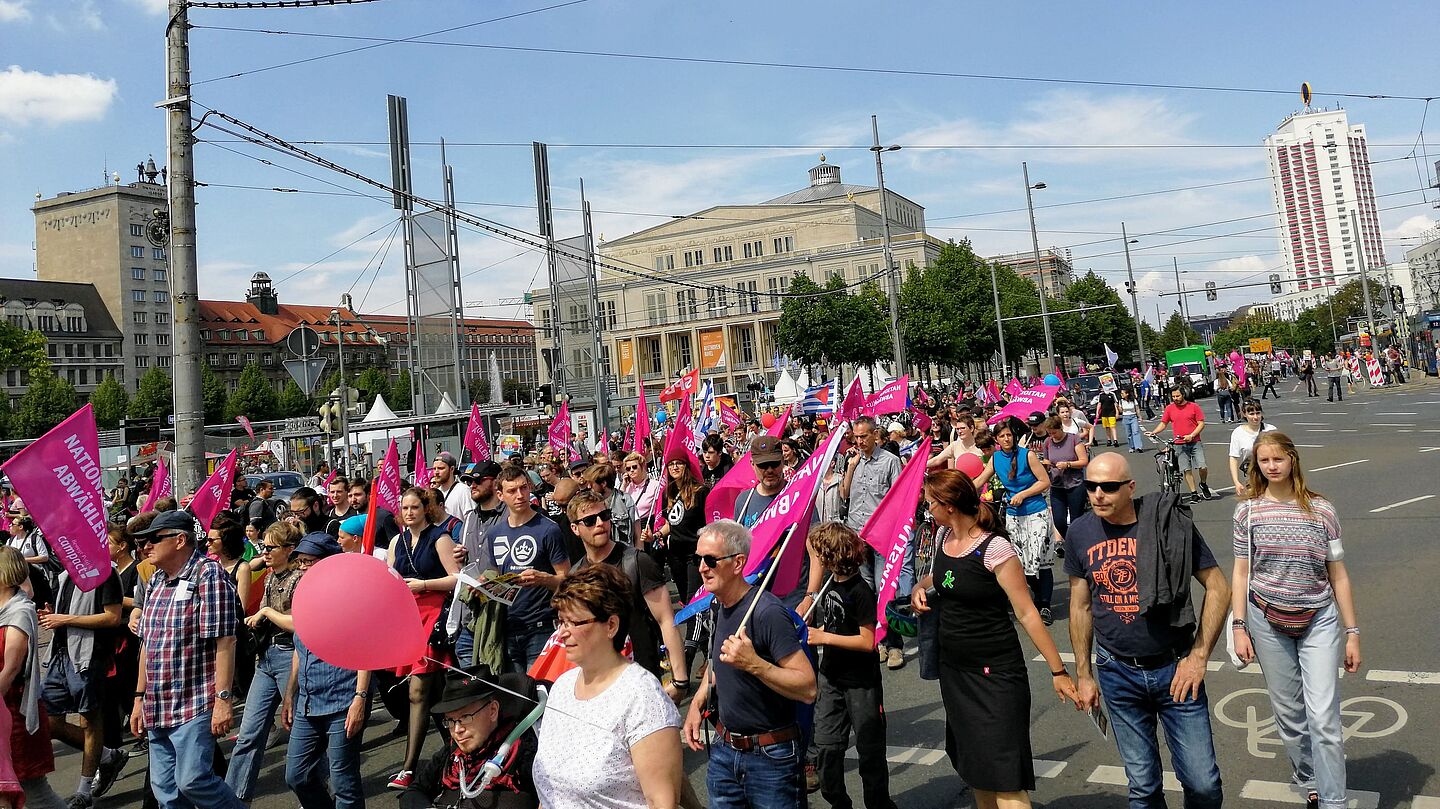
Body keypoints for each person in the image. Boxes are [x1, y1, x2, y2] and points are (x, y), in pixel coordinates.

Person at [1065, 454, 1229, 809]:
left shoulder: (1167, 523)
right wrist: (1084, 674)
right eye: (1090, 486)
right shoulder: (1080, 531)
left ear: (1130, 487)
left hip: (1175, 670)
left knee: (1203, 784)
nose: (1097, 495)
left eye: (1108, 487)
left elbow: (1218, 586)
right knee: (1143, 787)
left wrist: (1198, 656)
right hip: (1117, 671)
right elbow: (1079, 606)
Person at [911, 471, 1077, 809]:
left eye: (931, 503)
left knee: (1005, 775)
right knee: (977, 769)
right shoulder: (943, 536)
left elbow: (1027, 613)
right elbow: (941, 576)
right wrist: (920, 587)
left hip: (995, 674)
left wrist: (1058, 671)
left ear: (950, 506)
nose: (928, 510)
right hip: (956, 672)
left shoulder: (994, 548)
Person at [1230, 432, 1360, 809]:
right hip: (1267, 620)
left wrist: (1352, 633)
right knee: (1289, 715)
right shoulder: (1248, 511)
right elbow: (1241, 573)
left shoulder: (1322, 510)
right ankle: (1308, 776)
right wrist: (1240, 627)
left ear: (1292, 460)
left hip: (1318, 618)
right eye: (1264, 461)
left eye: (1278, 459)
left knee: (1323, 718)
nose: (1271, 467)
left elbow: (1338, 575)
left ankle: (1333, 800)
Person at [682, 520, 816, 809]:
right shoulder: (718, 605)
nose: (702, 567)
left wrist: (755, 664)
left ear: (738, 563)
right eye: (698, 559)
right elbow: (718, 665)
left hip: (771, 757)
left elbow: (807, 687)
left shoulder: (766, 612)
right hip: (724, 752)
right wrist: (697, 702)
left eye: (710, 560)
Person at [533, 564, 683, 809]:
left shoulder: (642, 696)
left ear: (611, 626)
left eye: (574, 623)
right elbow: (550, 791)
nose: (562, 633)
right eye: (560, 621)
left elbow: (661, 802)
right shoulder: (562, 686)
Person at [129, 510, 246, 809]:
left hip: (194, 702)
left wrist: (223, 699)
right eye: (143, 541)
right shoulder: (155, 580)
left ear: (180, 540)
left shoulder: (208, 574)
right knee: (166, 793)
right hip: (158, 704)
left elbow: (226, 639)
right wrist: (139, 699)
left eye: (154, 539)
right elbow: (147, 644)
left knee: (192, 779)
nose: (145, 547)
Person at [806, 523, 897, 809]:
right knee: (827, 748)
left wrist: (822, 636)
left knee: (870, 752)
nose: (818, 559)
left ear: (833, 556)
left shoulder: (860, 591)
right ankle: (838, 801)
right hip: (831, 678)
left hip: (860, 682)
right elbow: (837, 622)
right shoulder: (831, 584)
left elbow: (867, 640)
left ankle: (878, 804)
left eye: (821, 553)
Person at [280, 532, 369, 809]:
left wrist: (360, 698)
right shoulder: (302, 595)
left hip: (343, 698)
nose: (304, 568)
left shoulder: (348, 598)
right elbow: (300, 647)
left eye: (310, 562)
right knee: (296, 775)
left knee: (344, 781)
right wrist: (290, 694)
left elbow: (365, 651)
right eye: (301, 563)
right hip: (308, 701)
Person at [569, 491, 688, 693]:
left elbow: (666, 620)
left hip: (643, 677)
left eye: (605, 516)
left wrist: (680, 680)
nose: (600, 523)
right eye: (590, 520)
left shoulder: (637, 561)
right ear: (575, 528)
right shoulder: (576, 575)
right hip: (599, 683)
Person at [37, 544, 126, 809]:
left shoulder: (106, 573)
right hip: (60, 654)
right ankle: (108, 755)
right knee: (49, 721)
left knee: (90, 720)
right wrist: (51, 616)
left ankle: (83, 790)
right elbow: (60, 615)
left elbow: (112, 618)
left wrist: (65, 619)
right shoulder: (66, 574)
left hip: (90, 657)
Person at [386, 487, 463, 791]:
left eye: (415, 507)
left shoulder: (440, 537)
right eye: (404, 508)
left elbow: (456, 577)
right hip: (409, 619)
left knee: (419, 692)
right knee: (439, 694)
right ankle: (457, 754)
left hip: (435, 616)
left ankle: (408, 769)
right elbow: (391, 579)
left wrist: (424, 584)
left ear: (426, 509)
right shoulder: (397, 541)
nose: (409, 513)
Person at [225, 520, 303, 801]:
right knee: (248, 734)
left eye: (271, 548)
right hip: (267, 657)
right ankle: (233, 799)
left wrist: (266, 613)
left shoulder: (300, 578)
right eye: (264, 547)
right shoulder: (270, 576)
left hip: (289, 655)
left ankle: (318, 793)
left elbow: (299, 623)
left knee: (300, 730)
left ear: (289, 549)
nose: (266, 552)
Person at [399, 665, 540, 809]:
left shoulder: (522, 753)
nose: (457, 730)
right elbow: (413, 792)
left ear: (493, 710)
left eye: (465, 717)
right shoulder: (452, 753)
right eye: (451, 721)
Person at [0, 545, 68, 809]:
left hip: (14, 710)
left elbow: (11, 669)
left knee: (34, 790)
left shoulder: (19, 610)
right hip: (4, 709)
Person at [483, 467, 570, 672]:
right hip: (508, 626)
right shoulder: (495, 533)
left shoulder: (548, 529)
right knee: (517, 697)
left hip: (541, 625)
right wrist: (483, 586)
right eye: (512, 491)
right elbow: (496, 576)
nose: (520, 495)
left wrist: (545, 579)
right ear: (500, 495)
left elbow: (567, 580)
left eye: (523, 488)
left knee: (538, 693)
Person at [971, 418, 1056, 625]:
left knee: (1040, 559)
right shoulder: (996, 459)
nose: (1006, 438)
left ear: (1014, 436)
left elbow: (1044, 482)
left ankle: (1044, 604)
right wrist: (957, 491)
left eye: (1009, 435)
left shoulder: (1028, 455)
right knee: (1020, 561)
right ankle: (1032, 597)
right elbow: (980, 481)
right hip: (1014, 516)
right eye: (1002, 436)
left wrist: (1024, 494)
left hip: (1036, 513)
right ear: (997, 439)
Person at [841, 417, 905, 669]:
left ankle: (894, 644)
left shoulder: (889, 462)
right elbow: (844, 494)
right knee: (865, 592)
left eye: (864, 437)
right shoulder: (853, 461)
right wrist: (850, 467)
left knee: (885, 589)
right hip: (858, 534)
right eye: (856, 437)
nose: (860, 442)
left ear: (875, 435)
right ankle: (876, 641)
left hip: (882, 536)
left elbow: (899, 497)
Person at [1148, 387, 1215, 502]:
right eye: (1173, 396)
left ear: (1183, 394)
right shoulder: (1169, 409)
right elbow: (1163, 423)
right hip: (1179, 444)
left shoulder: (1194, 407)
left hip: (1194, 442)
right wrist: (1154, 432)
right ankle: (1194, 493)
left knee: (1202, 466)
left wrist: (1192, 435)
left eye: (1177, 396)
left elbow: (1201, 424)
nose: (1175, 398)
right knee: (1186, 469)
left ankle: (1203, 484)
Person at [1039, 415, 1089, 547]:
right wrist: (1045, 465)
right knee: (1059, 520)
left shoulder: (1074, 439)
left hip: (1074, 483)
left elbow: (1084, 461)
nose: (1052, 435)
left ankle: (1078, 545)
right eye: (1049, 433)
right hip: (1056, 484)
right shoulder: (1048, 442)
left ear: (1060, 427)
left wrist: (1068, 464)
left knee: (1076, 519)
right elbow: (1047, 459)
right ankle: (1072, 542)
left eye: (1054, 432)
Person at [579, 462, 635, 547]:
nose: (589, 487)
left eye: (591, 483)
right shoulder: (590, 505)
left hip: (626, 554)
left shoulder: (625, 500)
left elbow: (637, 534)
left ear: (603, 484)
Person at [1227, 401, 1277, 493]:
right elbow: (1233, 457)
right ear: (1244, 414)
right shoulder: (1238, 433)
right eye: (1251, 414)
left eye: (1258, 413)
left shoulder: (1271, 429)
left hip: (1271, 473)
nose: (1255, 417)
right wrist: (1236, 482)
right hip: (1252, 475)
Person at [621, 452, 662, 528]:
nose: (631, 470)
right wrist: (623, 485)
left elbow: (659, 509)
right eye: (628, 469)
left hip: (646, 525)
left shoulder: (654, 485)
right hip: (629, 526)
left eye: (634, 467)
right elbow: (618, 505)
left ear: (642, 466)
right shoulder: (625, 486)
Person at [432, 451, 474, 522]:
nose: (436, 472)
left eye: (441, 468)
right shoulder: (435, 494)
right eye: (434, 468)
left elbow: (471, 520)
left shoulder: (463, 491)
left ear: (451, 469)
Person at [1118, 388, 1144, 453]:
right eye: (1121, 393)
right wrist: (1118, 407)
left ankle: (1138, 447)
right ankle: (1131, 447)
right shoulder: (1121, 401)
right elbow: (1121, 411)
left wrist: (1139, 416)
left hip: (1133, 417)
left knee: (1136, 431)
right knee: (1129, 433)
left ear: (1127, 394)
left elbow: (1137, 409)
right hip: (1125, 417)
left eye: (1122, 393)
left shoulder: (1133, 400)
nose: (1121, 395)